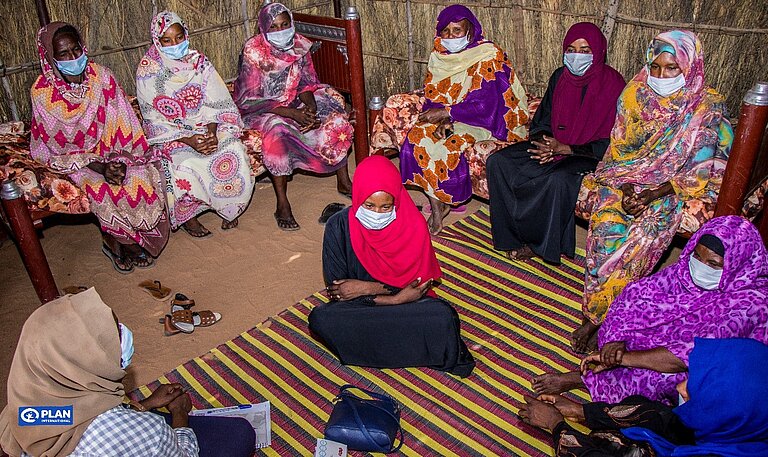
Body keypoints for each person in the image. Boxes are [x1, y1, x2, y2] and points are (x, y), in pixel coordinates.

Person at [573, 30, 734, 352]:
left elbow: (699, 169)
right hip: (627, 177)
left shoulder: (706, 106)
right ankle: (596, 305)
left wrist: (650, 194)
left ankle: (602, 318)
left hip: (675, 186)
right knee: (605, 228)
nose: (660, 75)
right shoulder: (634, 94)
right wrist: (628, 185)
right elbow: (620, 150)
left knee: (643, 235)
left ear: (689, 66)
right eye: (655, 67)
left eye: (671, 68)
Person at [531, 215, 768, 405]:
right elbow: (637, 295)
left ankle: (586, 386)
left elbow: (687, 356)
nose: (700, 268)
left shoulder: (750, 303)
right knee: (625, 332)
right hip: (667, 342)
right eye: (697, 256)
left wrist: (623, 358)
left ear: (739, 265)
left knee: (663, 378)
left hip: (701, 364)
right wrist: (618, 339)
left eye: (714, 264)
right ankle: (598, 375)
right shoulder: (684, 271)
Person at [0, 288, 256, 457]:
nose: (122, 332)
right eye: (112, 335)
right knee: (240, 434)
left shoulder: (28, 405)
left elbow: (76, 417)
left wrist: (144, 404)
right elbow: (183, 453)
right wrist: (179, 414)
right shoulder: (137, 431)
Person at [308, 155, 475, 377]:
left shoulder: (413, 225)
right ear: (357, 198)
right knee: (321, 318)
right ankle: (409, 348)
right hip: (367, 309)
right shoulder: (338, 226)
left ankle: (370, 349)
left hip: (403, 306)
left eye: (386, 206)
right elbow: (339, 292)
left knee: (442, 315)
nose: (377, 214)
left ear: (396, 200)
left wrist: (370, 289)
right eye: (369, 205)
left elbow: (419, 288)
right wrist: (394, 297)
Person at [29, 22, 169, 273]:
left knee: (139, 177)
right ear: (50, 58)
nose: (73, 58)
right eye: (63, 54)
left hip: (111, 149)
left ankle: (135, 239)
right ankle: (115, 241)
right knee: (100, 189)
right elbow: (54, 148)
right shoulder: (42, 92)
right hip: (74, 158)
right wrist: (97, 165)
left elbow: (124, 121)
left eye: (76, 50)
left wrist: (123, 159)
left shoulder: (101, 77)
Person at [487, 22, 625, 262]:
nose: (576, 56)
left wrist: (567, 149)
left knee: (557, 179)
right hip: (556, 145)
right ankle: (512, 236)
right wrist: (546, 145)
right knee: (499, 162)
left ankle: (539, 245)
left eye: (584, 50)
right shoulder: (560, 77)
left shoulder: (613, 85)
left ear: (598, 52)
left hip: (589, 153)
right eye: (571, 49)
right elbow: (542, 121)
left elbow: (613, 141)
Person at [399, 5, 529, 235]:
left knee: (450, 146)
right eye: (445, 31)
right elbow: (434, 95)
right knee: (416, 137)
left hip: (487, 119)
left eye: (457, 30)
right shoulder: (439, 54)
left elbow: (487, 105)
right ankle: (438, 203)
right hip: (452, 115)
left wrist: (449, 114)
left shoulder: (487, 56)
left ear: (471, 30)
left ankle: (444, 203)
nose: (450, 36)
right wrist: (443, 119)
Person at [519, 337, 768, 456]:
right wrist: (582, 411)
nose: (681, 387)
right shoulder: (746, 428)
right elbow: (663, 418)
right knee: (648, 410)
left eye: (694, 390)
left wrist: (555, 426)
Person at [233, 2, 353, 231]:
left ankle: (343, 181)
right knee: (277, 130)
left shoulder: (298, 46)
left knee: (336, 118)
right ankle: (282, 203)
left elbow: (307, 83)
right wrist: (292, 114)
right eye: (274, 27)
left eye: (285, 24)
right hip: (261, 108)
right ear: (264, 29)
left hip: (295, 102)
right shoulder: (254, 51)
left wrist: (310, 109)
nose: (281, 31)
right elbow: (249, 98)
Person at [137, 11, 255, 238]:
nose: (175, 44)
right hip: (172, 134)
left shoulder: (199, 62)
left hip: (207, 124)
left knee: (232, 149)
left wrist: (211, 132)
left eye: (179, 37)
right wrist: (188, 139)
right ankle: (189, 218)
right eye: (167, 40)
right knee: (180, 163)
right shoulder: (147, 70)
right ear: (156, 40)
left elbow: (217, 99)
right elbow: (153, 118)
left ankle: (229, 207)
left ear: (186, 34)